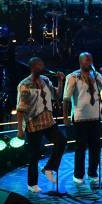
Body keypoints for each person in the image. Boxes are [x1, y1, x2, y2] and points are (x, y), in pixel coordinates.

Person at [16, 57, 67, 193]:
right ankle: (32, 184)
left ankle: (49, 168)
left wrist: (60, 81)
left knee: (61, 141)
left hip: (48, 121)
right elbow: (20, 109)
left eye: (42, 64)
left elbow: (57, 95)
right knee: (35, 155)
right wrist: (20, 129)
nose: (42, 67)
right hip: (33, 124)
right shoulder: (24, 84)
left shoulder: (45, 80)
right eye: (39, 65)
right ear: (32, 67)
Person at [62, 52, 102, 185]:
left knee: (95, 147)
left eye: (91, 59)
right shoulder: (73, 76)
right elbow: (66, 99)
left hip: (95, 117)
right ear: (80, 62)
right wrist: (65, 117)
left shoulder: (96, 75)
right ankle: (78, 174)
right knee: (80, 148)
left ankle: (92, 172)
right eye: (86, 60)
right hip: (80, 118)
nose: (89, 62)